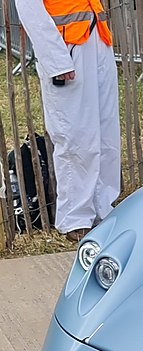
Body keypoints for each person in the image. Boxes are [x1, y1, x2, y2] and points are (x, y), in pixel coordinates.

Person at [15, 0, 120, 241]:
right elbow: (30, 10)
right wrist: (55, 60)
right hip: (68, 46)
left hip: (96, 38)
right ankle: (75, 218)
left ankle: (104, 208)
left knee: (106, 133)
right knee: (75, 135)